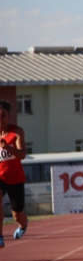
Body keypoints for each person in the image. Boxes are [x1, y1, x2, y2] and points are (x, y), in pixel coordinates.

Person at [0, 100, 29, 248]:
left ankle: (23, 225)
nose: (0, 119)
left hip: (16, 178)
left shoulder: (16, 132)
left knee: (17, 215)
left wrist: (7, 147)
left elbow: (22, 155)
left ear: (8, 117)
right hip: (0, 177)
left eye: (3, 116)